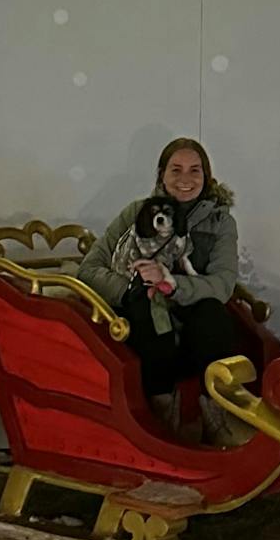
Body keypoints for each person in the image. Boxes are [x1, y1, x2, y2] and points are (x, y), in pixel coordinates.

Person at [79, 135, 248, 442]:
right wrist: (136, 287)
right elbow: (89, 269)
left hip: (190, 317)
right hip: (142, 322)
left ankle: (214, 419)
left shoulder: (220, 222)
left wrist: (170, 285)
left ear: (206, 177)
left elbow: (222, 284)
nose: (185, 179)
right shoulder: (136, 212)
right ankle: (162, 418)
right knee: (146, 305)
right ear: (162, 175)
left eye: (195, 170)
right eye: (176, 170)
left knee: (213, 313)